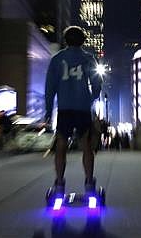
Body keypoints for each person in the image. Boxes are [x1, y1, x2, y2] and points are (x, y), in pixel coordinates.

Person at [44, 26, 102, 197]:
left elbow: (50, 87)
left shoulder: (57, 59)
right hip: (82, 108)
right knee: (86, 145)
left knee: (61, 144)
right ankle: (89, 182)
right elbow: (97, 82)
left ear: (65, 40)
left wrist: (48, 111)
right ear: (83, 40)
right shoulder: (88, 58)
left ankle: (60, 184)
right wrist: (91, 97)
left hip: (64, 108)